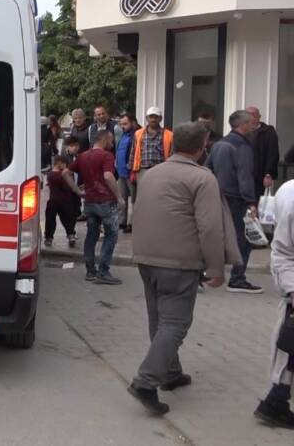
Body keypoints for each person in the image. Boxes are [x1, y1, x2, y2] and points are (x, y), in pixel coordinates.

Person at [127, 121, 229, 416]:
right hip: (179, 263)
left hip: (147, 258)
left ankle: (170, 373)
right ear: (202, 147)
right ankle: (146, 382)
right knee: (175, 324)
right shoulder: (202, 178)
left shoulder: (153, 173)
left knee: (159, 320)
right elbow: (210, 228)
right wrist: (216, 267)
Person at [207, 110, 263, 294]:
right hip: (237, 198)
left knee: (215, 236)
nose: (254, 125)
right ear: (243, 125)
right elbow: (244, 175)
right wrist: (251, 202)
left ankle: (204, 273)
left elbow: (207, 169)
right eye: (252, 123)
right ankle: (237, 279)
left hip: (217, 195)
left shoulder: (219, 144)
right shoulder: (242, 146)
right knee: (244, 238)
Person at [255, 178, 294, 428]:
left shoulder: (287, 188)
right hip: (290, 272)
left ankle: (276, 399)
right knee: (289, 340)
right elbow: (284, 250)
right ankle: (276, 401)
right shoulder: (291, 196)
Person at [64, 130, 125, 284]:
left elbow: (65, 172)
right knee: (111, 234)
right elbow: (108, 176)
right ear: (104, 141)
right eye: (111, 142)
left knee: (91, 236)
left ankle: (90, 271)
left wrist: (77, 191)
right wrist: (119, 197)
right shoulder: (106, 156)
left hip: (90, 202)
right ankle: (103, 271)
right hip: (105, 201)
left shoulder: (83, 156)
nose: (112, 145)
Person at [130, 106, 174, 196]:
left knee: (158, 195)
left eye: (156, 117)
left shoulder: (169, 135)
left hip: (161, 171)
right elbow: (133, 152)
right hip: (142, 170)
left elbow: (172, 154)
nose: (153, 119)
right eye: (151, 117)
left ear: (160, 118)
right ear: (147, 118)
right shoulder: (138, 133)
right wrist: (132, 171)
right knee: (142, 196)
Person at [45, 155, 81, 248]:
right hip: (65, 201)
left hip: (52, 200)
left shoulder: (50, 175)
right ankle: (71, 236)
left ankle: (49, 238)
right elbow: (67, 187)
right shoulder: (62, 175)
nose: (66, 166)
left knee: (50, 220)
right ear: (59, 163)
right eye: (65, 164)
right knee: (68, 220)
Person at [248, 106, 280, 200]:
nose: (250, 117)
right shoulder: (242, 131)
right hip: (245, 176)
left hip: (260, 175)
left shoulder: (268, 131)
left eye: (253, 115)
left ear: (259, 117)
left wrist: (268, 174)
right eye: (247, 115)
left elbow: (273, 154)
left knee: (259, 202)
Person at [116, 114, 139, 233]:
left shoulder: (137, 135)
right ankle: (122, 221)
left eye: (125, 124)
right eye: (121, 124)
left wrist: (133, 171)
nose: (122, 126)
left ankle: (132, 223)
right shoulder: (123, 135)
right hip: (121, 173)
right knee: (121, 199)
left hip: (131, 173)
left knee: (134, 200)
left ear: (133, 123)